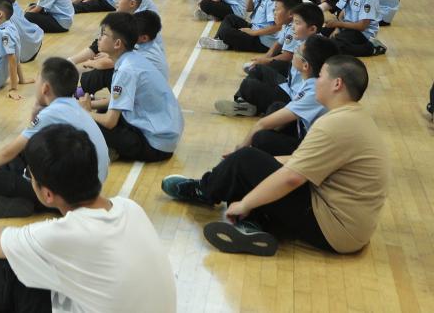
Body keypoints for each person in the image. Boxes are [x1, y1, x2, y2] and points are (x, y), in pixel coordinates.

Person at [0, 124, 176, 313]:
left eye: (30, 176)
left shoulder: (68, 234)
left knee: (9, 266)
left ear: (47, 194)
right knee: (28, 263)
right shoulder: (129, 207)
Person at [163, 55, 389, 257]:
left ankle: (206, 191)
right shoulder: (354, 117)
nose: (316, 81)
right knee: (255, 161)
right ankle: (253, 224)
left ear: (337, 84)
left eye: (320, 76)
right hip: (348, 225)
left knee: (246, 160)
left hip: (334, 228)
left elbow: (292, 178)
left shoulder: (335, 124)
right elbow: (298, 161)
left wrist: (245, 202)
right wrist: (261, 165)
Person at [0, 59, 110, 219]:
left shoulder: (51, 113)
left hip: (71, 198)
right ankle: (9, 173)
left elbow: (9, 151)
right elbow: (32, 144)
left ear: (45, 88)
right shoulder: (72, 106)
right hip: (91, 186)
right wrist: (34, 114)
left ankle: (30, 204)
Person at [85, 13, 183, 162]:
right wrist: (90, 104)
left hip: (155, 146)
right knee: (102, 112)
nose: (99, 38)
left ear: (117, 44)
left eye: (103, 34)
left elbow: (110, 122)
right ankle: (111, 148)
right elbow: (119, 101)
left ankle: (111, 150)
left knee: (85, 121)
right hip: (165, 136)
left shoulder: (126, 70)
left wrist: (84, 111)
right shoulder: (132, 59)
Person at [219, 2, 325, 117]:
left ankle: (249, 105)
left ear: (312, 29)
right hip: (289, 84)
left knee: (249, 86)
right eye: (293, 22)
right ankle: (244, 104)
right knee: (258, 69)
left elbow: (308, 87)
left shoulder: (315, 50)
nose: (293, 26)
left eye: (297, 23)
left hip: (293, 98)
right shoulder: (304, 40)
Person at [241, 35, 339, 156]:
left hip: (311, 149)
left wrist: (240, 149)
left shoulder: (315, 91)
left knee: (260, 138)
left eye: (297, 51)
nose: (294, 51)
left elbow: (262, 124)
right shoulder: (313, 81)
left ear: (305, 65)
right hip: (304, 128)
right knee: (277, 107)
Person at [0, 0, 43, 66]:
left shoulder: (3, 17)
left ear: (4, 1)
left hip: (23, 54)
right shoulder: (13, 4)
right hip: (35, 42)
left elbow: (5, 44)